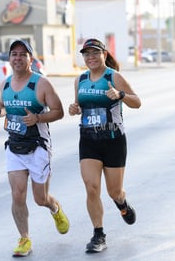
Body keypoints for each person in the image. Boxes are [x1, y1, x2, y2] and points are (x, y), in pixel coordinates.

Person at [0, 39, 69, 257]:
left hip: (38, 147)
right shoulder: (5, 84)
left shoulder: (41, 83)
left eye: (22, 54)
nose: (17, 58)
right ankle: (24, 238)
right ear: (9, 58)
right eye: (14, 54)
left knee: (40, 198)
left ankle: (55, 208)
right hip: (14, 147)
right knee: (17, 194)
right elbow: (6, 109)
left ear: (30, 59)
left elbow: (59, 111)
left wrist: (38, 118)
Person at [68, 38, 141, 253]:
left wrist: (120, 95)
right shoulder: (80, 79)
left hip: (113, 140)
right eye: (86, 54)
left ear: (104, 54)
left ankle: (122, 203)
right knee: (91, 187)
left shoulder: (114, 77)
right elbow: (79, 106)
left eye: (94, 53)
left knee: (114, 191)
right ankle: (98, 234)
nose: (90, 57)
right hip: (88, 139)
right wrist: (74, 109)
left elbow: (137, 102)